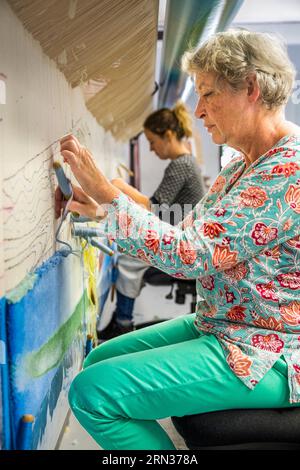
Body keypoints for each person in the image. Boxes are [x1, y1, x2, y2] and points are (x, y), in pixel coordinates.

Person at [55, 30, 300, 450]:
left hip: (266, 347)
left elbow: (190, 256)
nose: (199, 111)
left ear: (251, 89)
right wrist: (102, 207)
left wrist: (110, 196)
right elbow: (188, 232)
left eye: (207, 94)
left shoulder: (287, 170)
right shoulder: (243, 163)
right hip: (226, 322)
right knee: (99, 359)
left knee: (91, 393)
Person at [99, 102, 206, 340]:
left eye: (152, 141)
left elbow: (154, 207)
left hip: (187, 246)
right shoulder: (186, 164)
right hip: (185, 236)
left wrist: (118, 188)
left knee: (129, 257)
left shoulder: (181, 165)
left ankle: (123, 323)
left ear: (167, 136)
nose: (151, 148)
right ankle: (121, 319)